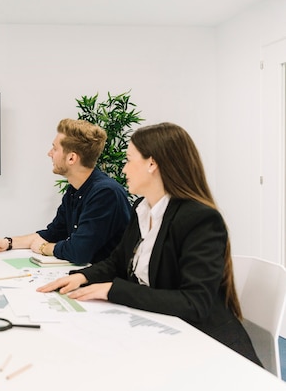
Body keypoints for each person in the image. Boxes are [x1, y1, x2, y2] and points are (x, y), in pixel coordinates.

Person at [37, 122, 261, 365]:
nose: (123, 169)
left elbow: (194, 303)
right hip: (161, 331)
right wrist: (83, 277)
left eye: (129, 160)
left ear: (152, 164)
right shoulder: (143, 209)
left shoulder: (200, 219)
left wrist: (112, 290)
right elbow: (117, 262)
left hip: (208, 348)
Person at [0, 118, 131, 264]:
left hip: (106, 282)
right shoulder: (74, 190)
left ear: (71, 158)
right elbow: (53, 233)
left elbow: (79, 251)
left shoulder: (106, 193)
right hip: (86, 274)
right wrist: (8, 243)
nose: (50, 153)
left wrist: (44, 248)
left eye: (55, 148)